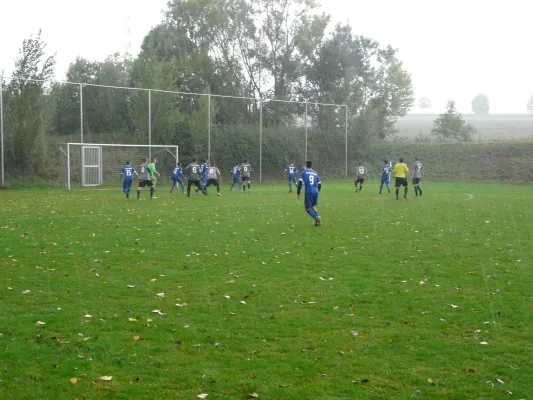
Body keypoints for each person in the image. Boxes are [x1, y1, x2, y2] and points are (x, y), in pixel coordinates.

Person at [297, 160, 322, 226]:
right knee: (313, 207)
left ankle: (316, 218)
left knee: (307, 208)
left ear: (306, 165)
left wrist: (298, 193)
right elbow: (319, 185)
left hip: (309, 192)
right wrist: (317, 192)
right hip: (315, 191)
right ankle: (319, 222)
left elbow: (299, 183)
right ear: (311, 165)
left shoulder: (303, 172)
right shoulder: (315, 173)